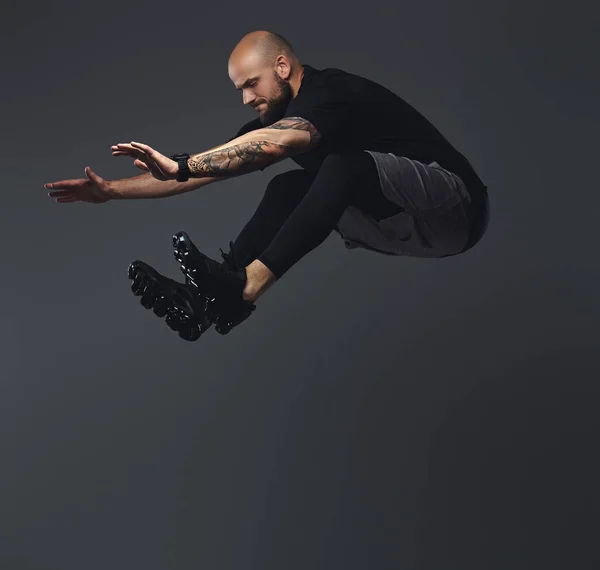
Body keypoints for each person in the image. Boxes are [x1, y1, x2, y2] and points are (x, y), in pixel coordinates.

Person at [44, 30, 490, 341]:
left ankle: (242, 290)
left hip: (454, 205)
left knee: (340, 166)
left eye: (251, 84)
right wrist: (111, 191)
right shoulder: (267, 122)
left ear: (282, 66)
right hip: (399, 227)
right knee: (287, 189)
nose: (245, 98)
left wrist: (182, 165)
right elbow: (194, 176)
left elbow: (283, 141)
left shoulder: (329, 91)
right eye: (239, 88)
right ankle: (204, 303)